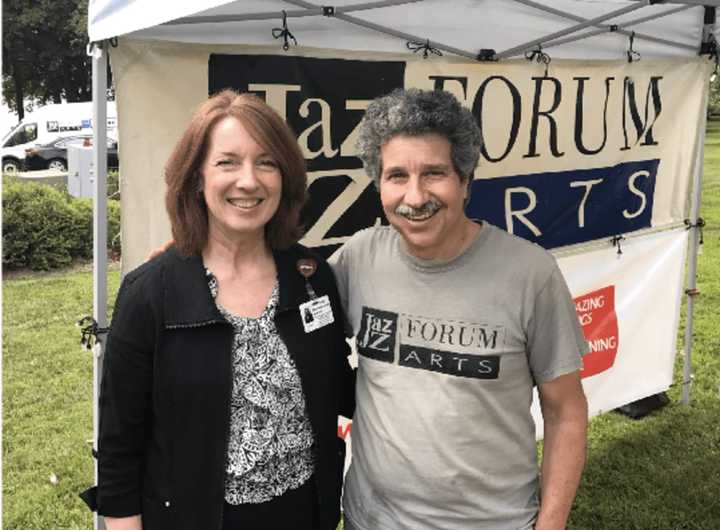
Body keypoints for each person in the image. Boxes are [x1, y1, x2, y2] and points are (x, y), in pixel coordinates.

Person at [80, 90, 355, 530]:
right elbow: (119, 445)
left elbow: (344, 389)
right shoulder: (151, 292)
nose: (249, 181)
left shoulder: (312, 277)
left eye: (266, 162)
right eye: (227, 162)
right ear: (196, 178)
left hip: (304, 514)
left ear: (284, 177)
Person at [331, 88, 589, 530]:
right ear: (379, 184)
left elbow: (566, 411)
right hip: (369, 520)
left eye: (434, 173)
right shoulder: (360, 257)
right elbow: (277, 302)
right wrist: (189, 258)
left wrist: (551, 524)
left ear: (466, 181)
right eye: (396, 176)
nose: (414, 197)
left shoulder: (530, 274)